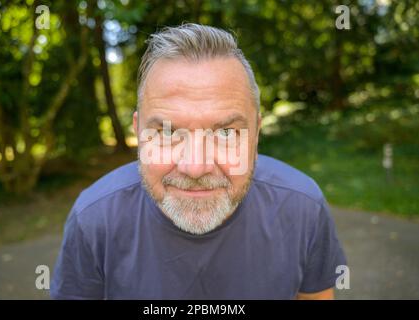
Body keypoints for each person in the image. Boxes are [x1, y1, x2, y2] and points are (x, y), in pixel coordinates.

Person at [50, 23, 347, 299]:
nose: (195, 167)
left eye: (226, 133)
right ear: (138, 133)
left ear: (256, 133)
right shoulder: (93, 219)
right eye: (167, 132)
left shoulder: (304, 208)